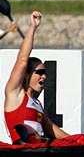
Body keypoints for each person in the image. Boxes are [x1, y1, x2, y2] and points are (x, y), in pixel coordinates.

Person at [3, 11, 69, 144]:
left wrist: (80, 142)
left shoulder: (37, 104)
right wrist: (33, 27)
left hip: (38, 153)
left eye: (45, 73)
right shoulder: (14, 94)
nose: (44, 76)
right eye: (39, 72)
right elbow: (22, 59)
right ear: (27, 74)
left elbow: (54, 131)